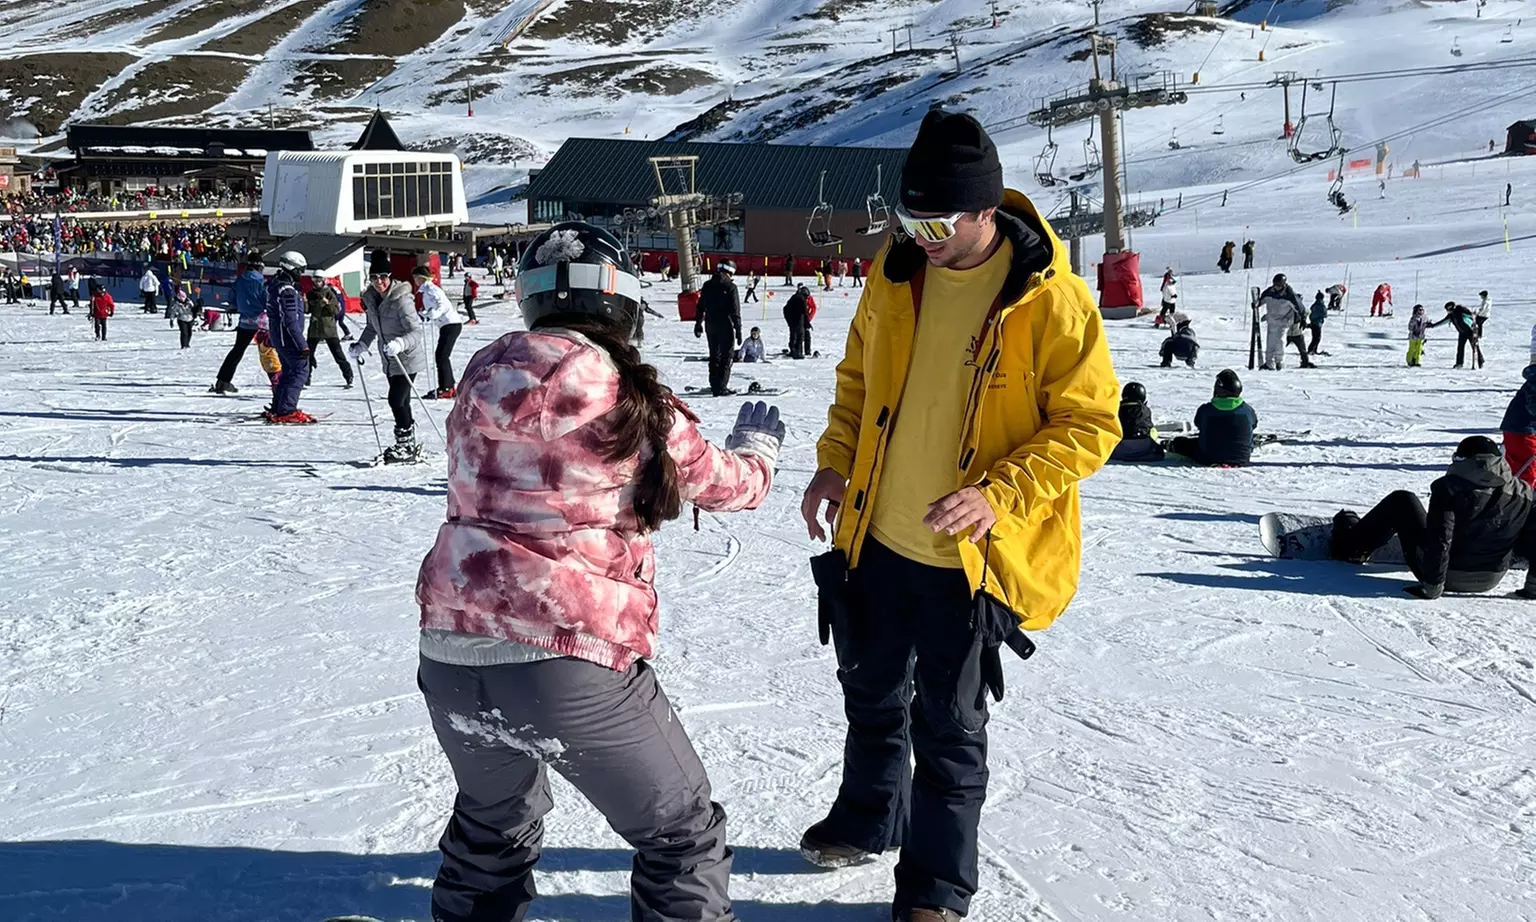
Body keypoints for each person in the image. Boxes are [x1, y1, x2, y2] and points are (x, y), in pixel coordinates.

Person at [798, 109, 1120, 922]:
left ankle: (935, 890)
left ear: (986, 211)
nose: (922, 235)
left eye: (938, 221)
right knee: (870, 694)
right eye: (908, 218)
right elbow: (856, 382)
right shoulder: (897, 272)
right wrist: (834, 463)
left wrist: (997, 493)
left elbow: (1091, 425)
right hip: (876, 534)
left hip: (971, 558)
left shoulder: (1052, 300)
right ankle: (869, 819)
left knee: (948, 726)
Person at [415, 220, 782, 922]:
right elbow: (729, 485)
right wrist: (758, 450)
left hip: (451, 651)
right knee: (680, 834)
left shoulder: (483, 375)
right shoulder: (626, 394)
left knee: (492, 827)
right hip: (567, 655)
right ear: (623, 301)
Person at [1331, 437, 1536, 598]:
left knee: (1402, 500)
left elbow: (1441, 537)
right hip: (1491, 578)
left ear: (1461, 460)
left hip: (1448, 576)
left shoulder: (1449, 488)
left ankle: (1351, 546)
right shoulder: (1525, 492)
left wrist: (1433, 587)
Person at [350, 266, 426, 463]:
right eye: (374, 277)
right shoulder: (371, 299)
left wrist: (401, 343)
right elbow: (371, 327)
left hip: (407, 357)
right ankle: (408, 444)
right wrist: (361, 345)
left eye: (383, 277)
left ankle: (404, 446)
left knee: (396, 400)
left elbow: (416, 332)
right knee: (403, 402)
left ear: (390, 277)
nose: (379, 282)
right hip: (390, 359)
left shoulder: (402, 300)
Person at [263, 250, 313, 424]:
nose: (301, 274)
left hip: (279, 337)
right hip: (288, 338)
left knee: (289, 371)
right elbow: (290, 321)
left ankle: (279, 406)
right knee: (300, 370)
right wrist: (302, 345)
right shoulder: (287, 291)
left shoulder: (276, 285)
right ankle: (286, 410)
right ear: (291, 268)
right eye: (300, 270)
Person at [1168, 369, 1257, 466]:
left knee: (1182, 443)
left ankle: (1172, 445)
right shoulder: (1247, 410)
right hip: (1242, 458)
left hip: (1208, 458)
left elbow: (1198, 424)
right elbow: (1254, 424)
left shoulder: (1206, 410)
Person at [210, 257, 269, 394]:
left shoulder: (240, 280)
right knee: (271, 351)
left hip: (244, 321)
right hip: (261, 321)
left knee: (237, 351)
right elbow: (266, 299)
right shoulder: (261, 282)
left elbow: (231, 297)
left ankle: (223, 381)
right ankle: (283, 382)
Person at [694, 259, 742, 396]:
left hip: (710, 324)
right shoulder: (730, 287)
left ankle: (714, 384)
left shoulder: (707, 285)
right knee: (727, 356)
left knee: (714, 355)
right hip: (725, 324)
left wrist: (698, 324)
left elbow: (700, 306)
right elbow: (735, 310)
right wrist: (738, 330)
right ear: (731, 271)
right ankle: (721, 386)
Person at [416, 264, 462, 399]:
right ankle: (448, 385)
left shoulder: (431, 289)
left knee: (441, 356)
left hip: (450, 323)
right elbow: (434, 308)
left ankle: (446, 387)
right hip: (446, 324)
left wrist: (434, 314)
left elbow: (441, 305)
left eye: (416, 277)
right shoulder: (427, 290)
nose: (415, 280)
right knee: (442, 356)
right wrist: (426, 314)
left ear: (420, 277)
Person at [305, 275, 353, 388]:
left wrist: (328, 303)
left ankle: (348, 376)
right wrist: (305, 302)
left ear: (323, 281)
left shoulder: (329, 293)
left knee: (338, 354)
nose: (317, 283)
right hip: (315, 329)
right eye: (315, 281)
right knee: (308, 355)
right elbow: (307, 311)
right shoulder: (310, 294)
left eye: (319, 281)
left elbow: (336, 310)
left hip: (329, 329)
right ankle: (306, 378)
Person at [1258, 273, 1304, 370]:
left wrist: (1302, 319)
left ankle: (1279, 362)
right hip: (1272, 320)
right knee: (1270, 343)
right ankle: (1269, 363)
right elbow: (1261, 301)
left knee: (1280, 341)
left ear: (1284, 285)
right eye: (1275, 285)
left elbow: (1300, 308)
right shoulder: (1269, 292)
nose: (1276, 287)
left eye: (1279, 285)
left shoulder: (1290, 295)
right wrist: (1256, 304)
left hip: (1284, 321)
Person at [1110, 381, 1165, 462]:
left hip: (1119, 449)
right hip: (1143, 449)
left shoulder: (1116, 408)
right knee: (1153, 432)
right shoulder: (1145, 410)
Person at [1501, 366, 1536, 488]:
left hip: (1519, 429)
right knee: (1528, 467)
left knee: (1519, 465)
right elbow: (1533, 407)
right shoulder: (1534, 383)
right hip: (1521, 430)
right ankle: (1523, 498)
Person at [1429, 300, 1482, 369]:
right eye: (1447, 310)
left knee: (1474, 347)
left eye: (1449, 309)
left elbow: (1471, 315)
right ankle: (1459, 363)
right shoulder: (1451, 315)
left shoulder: (1460, 310)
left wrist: (1474, 316)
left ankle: (1480, 361)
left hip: (1470, 331)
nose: (1448, 311)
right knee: (1460, 348)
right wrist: (1433, 325)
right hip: (1462, 333)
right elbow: (1443, 322)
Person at [784, 283, 813, 359]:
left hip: (791, 319)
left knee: (793, 335)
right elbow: (804, 312)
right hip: (798, 320)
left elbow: (785, 308)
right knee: (800, 336)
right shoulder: (801, 299)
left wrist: (789, 321)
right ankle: (798, 352)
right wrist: (807, 323)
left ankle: (793, 350)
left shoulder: (793, 297)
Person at [1286, 300, 1316, 368]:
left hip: (1288, 333)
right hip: (1297, 334)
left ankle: (1275, 361)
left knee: (1279, 348)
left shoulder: (1288, 310)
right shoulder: (1301, 311)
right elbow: (1307, 313)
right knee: (1302, 350)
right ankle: (1305, 362)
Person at [1307, 290, 1328, 355]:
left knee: (1315, 337)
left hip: (1313, 323)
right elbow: (1324, 314)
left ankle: (1313, 350)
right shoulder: (1321, 305)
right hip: (1317, 323)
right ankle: (1311, 349)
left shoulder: (1314, 305)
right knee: (1317, 338)